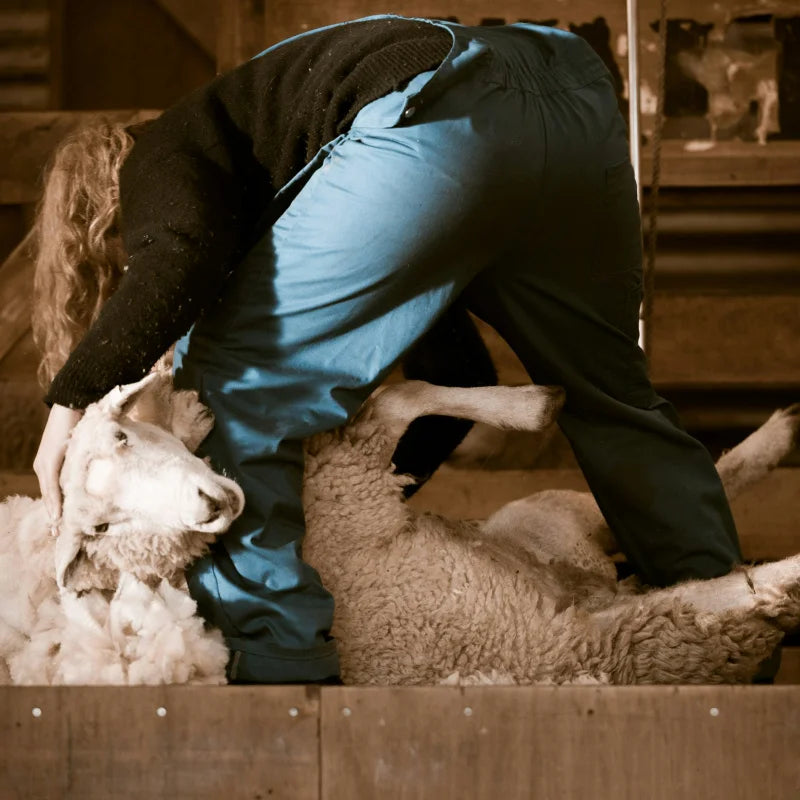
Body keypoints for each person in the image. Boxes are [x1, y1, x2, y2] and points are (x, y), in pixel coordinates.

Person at [33, 15, 743, 684]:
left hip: (432, 116)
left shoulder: (164, 149)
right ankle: (734, 634)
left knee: (227, 392)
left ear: (113, 207)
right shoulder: (302, 172)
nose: (135, 267)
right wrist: (354, 507)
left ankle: (282, 692)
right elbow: (456, 375)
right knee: (613, 398)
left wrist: (69, 405)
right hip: (573, 100)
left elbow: (177, 258)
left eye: (128, 253)